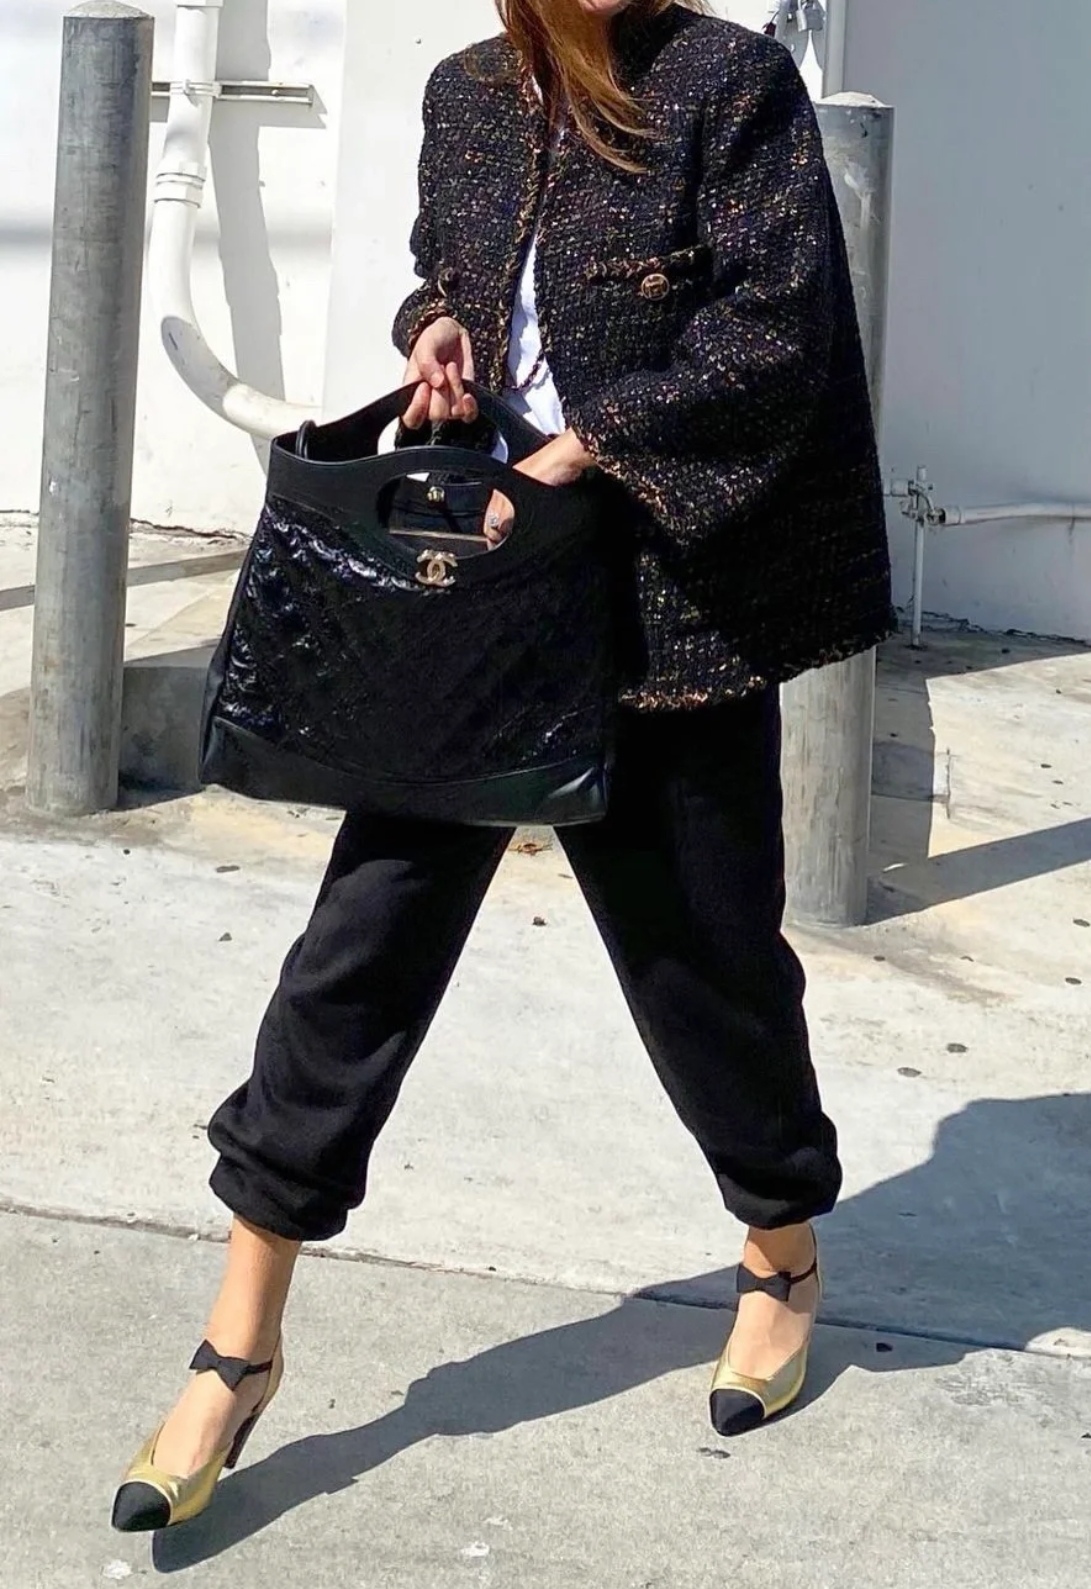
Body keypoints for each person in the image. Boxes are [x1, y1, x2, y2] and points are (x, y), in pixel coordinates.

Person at [113, 0, 893, 1533]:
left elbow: (771, 337)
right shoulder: (466, 94)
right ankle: (239, 1343)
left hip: (671, 607)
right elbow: (457, 275)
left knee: (705, 964)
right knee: (359, 949)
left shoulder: (729, 84)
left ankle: (783, 1246)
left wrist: (574, 449)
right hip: (488, 609)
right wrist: (438, 335)